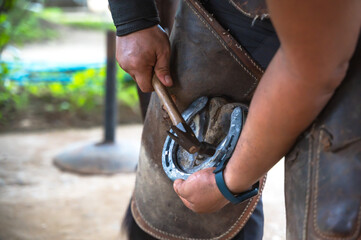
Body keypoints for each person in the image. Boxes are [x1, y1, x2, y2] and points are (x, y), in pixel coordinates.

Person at [109, 0, 361, 239]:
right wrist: (133, 17)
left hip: (324, 45)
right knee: (171, 217)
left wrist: (228, 182)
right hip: (210, 21)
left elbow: (314, 68)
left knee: (333, 219)